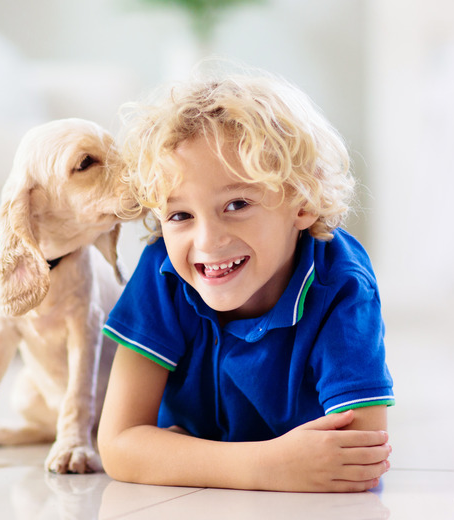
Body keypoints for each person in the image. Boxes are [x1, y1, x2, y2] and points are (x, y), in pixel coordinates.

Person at [97, 68, 395, 492]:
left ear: (303, 204)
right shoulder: (163, 270)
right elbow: (119, 445)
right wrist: (263, 465)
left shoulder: (341, 285)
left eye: (237, 203)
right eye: (180, 215)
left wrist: (176, 457)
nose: (207, 240)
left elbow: (357, 457)